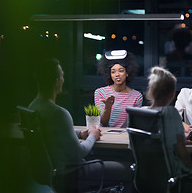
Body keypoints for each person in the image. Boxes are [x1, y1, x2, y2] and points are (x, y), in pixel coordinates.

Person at [29, 58, 133, 191]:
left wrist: (80, 133)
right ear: (56, 82)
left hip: (49, 173)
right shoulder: (59, 113)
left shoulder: (33, 107)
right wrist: (93, 136)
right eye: (62, 76)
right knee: (129, 170)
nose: (63, 79)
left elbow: (53, 130)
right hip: (72, 174)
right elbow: (78, 153)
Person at [145, 66, 192, 190]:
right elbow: (182, 152)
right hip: (175, 175)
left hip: (147, 175)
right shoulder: (171, 114)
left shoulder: (140, 113)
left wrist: (182, 139)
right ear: (171, 93)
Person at [94, 51, 143, 128]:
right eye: (113, 72)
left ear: (127, 73)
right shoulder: (100, 92)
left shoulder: (137, 96)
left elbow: (135, 123)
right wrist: (108, 106)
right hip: (105, 135)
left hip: (125, 136)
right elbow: (103, 123)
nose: (117, 74)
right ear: (110, 74)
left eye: (121, 71)